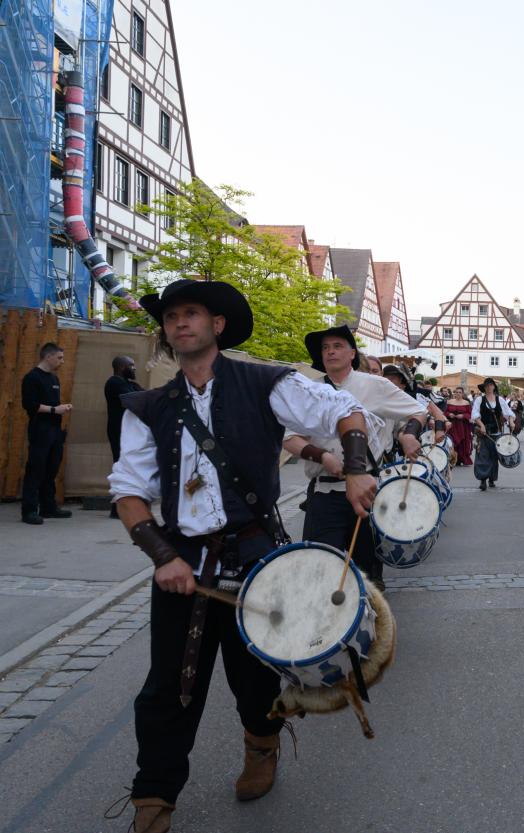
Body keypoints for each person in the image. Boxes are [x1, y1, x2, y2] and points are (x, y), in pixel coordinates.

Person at [107, 279, 379, 833]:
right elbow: (129, 493)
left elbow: (346, 411)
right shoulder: (148, 406)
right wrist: (163, 557)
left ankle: (261, 746)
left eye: (191, 314)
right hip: (183, 557)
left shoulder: (266, 382)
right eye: (171, 317)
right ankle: (153, 797)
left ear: (217, 325)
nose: (179, 323)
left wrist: (355, 468)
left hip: (257, 552)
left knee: (253, 678)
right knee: (169, 685)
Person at [283, 325, 425, 593]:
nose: (330, 352)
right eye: (325, 348)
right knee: (320, 573)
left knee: (367, 577)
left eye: (337, 346)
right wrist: (323, 456)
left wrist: (408, 435)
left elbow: (417, 411)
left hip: (367, 494)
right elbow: (289, 437)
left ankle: (369, 631)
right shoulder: (307, 391)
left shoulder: (376, 386)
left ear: (351, 353)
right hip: (324, 494)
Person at [21, 342, 73, 525]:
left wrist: (60, 409)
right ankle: (29, 510)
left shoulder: (54, 379)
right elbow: (30, 405)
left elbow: (53, 405)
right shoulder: (32, 378)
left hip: (54, 430)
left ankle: (48, 507)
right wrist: (54, 409)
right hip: (40, 429)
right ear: (48, 356)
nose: (62, 361)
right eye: (59, 357)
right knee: (35, 469)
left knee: (51, 469)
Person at [105, 356, 143, 518]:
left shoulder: (128, 383)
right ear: (121, 367)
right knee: (122, 469)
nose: (134, 368)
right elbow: (136, 400)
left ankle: (125, 507)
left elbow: (145, 396)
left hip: (129, 432)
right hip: (119, 431)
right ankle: (117, 509)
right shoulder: (115, 383)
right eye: (131, 365)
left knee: (129, 469)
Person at [471, 377, 515, 491]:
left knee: (494, 457)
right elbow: (475, 414)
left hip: (497, 432)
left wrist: (511, 421)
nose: (489, 387)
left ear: (494, 387)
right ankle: (483, 480)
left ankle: (491, 478)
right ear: (484, 388)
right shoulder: (479, 400)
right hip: (483, 433)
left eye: (491, 385)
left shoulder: (500, 399)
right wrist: (481, 425)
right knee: (483, 456)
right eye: (487, 386)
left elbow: (508, 412)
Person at [445, 386, 474, 466]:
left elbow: (470, 414)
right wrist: (449, 414)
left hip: (462, 425)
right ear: (454, 393)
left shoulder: (466, 403)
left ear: (462, 394)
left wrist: (463, 416)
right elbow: (444, 412)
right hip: (451, 425)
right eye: (456, 392)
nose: (458, 394)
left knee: (462, 442)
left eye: (459, 392)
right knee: (451, 441)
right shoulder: (449, 401)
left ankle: (461, 459)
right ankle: (451, 459)